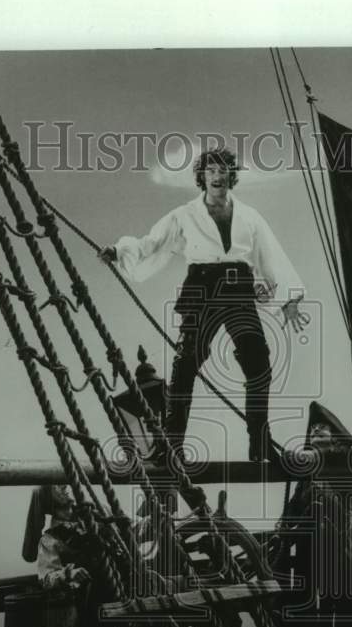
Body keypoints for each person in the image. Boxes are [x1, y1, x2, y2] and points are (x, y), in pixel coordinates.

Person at [102, 147, 308, 462]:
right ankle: (173, 444)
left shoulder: (250, 216)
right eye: (211, 171)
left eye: (223, 170)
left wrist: (289, 299)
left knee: (259, 363)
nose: (217, 176)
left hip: (239, 287)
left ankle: (260, 442)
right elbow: (152, 242)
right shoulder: (184, 214)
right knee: (187, 363)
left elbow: (270, 254)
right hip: (202, 286)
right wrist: (119, 251)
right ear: (202, 177)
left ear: (231, 176)